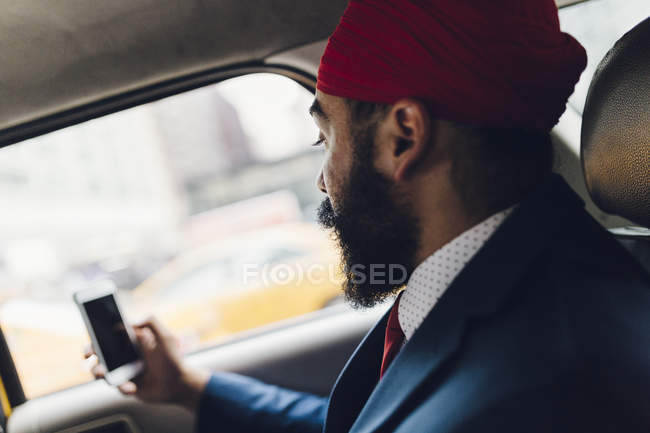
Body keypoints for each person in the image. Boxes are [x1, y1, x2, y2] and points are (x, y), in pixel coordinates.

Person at [87, 0, 650, 432]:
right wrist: (189, 389)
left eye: (323, 138)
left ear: (402, 137)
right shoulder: (497, 285)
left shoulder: (553, 382)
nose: (321, 180)